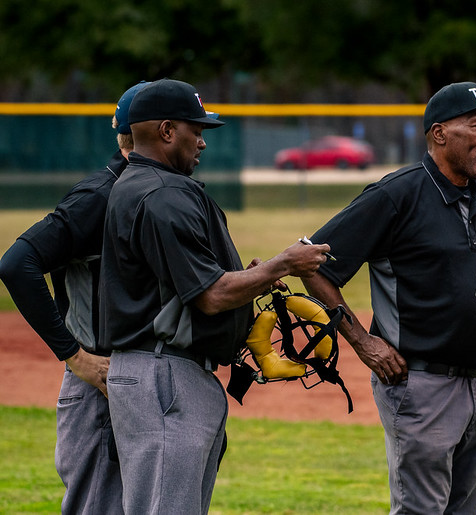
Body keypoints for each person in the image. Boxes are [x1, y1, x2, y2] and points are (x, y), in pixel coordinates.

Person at [98, 78, 329, 514]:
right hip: (164, 375)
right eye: (195, 130)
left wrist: (255, 277)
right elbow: (209, 296)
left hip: (162, 373)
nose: (202, 142)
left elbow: (180, 284)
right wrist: (284, 264)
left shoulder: (144, 185)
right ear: (167, 131)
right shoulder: (163, 193)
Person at [301, 81, 476, 514]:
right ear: (439, 134)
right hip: (419, 384)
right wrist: (363, 342)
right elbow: (314, 264)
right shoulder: (396, 194)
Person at [0, 81, 150, 514]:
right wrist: (75, 356)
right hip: (98, 385)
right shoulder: (99, 196)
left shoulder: (151, 193)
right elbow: (16, 263)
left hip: (144, 381)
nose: (198, 140)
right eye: (184, 127)